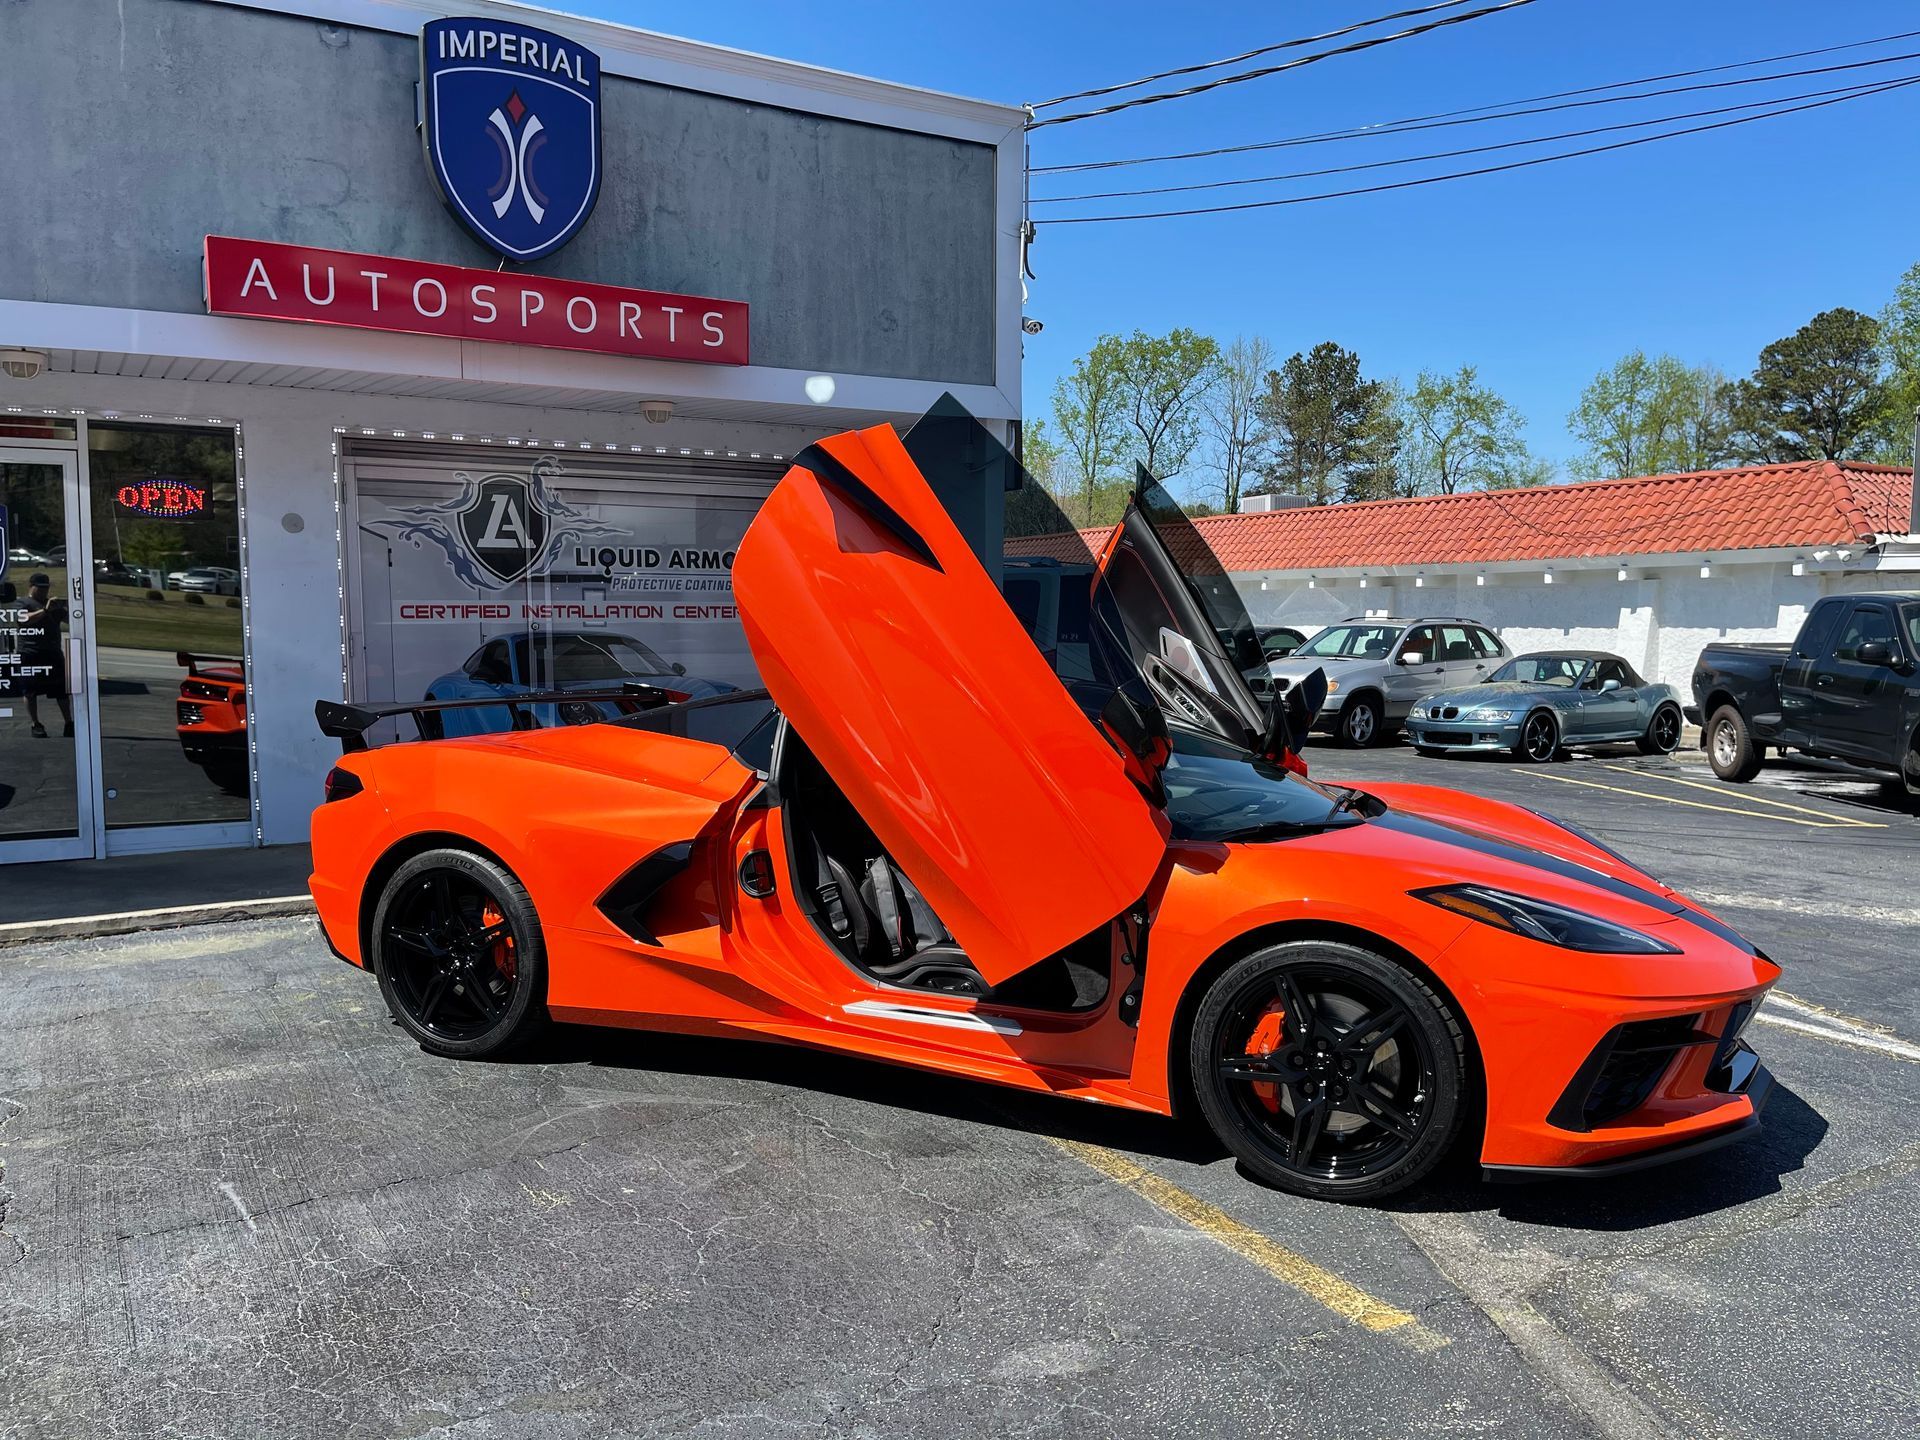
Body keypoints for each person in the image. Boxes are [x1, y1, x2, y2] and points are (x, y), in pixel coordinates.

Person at [18, 573, 73, 739]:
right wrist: (45, 610)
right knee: (30, 691)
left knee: (62, 691)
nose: (43, 591)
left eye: (46, 588)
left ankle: (69, 722)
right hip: (30, 652)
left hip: (52, 652)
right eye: (40, 588)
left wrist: (66, 609)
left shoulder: (52, 605)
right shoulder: (23, 603)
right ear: (31, 586)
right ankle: (36, 723)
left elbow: (71, 620)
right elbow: (23, 620)